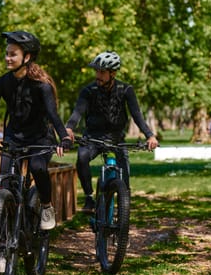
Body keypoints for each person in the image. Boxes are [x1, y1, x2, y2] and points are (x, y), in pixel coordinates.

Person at [0, 30, 71, 230]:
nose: (7, 58)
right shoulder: (2, 83)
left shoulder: (41, 86)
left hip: (39, 138)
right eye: (7, 53)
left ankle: (46, 206)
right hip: (13, 138)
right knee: (4, 180)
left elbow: (53, 114)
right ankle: (5, 232)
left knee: (37, 167)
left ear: (27, 57)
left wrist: (63, 138)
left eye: (12, 54)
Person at [65, 51, 159, 212]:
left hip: (117, 138)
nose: (97, 75)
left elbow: (136, 115)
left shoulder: (126, 89)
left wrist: (149, 135)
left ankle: (124, 209)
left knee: (125, 177)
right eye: (96, 71)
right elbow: (77, 113)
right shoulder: (88, 91)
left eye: (102, 72)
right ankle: (89, 198)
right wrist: (69, 128)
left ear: (113, 73)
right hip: (93, 137)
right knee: (81, 158)